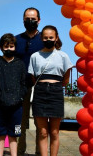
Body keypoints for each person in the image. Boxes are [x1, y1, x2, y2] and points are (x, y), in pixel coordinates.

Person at [28, 25, 72, 156]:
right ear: (41, 38)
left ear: (56, 38)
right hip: (40, 92)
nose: (48, 39)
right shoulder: (35, 56)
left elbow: (66, 78)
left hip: (56, 92)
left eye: (51, 37)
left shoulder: (63, 56)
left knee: (54, 132)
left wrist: (56, 86)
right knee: (42, 132)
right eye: (46, 37)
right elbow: (32, 76)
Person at [0, 33, 27, 156]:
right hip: (0, 105)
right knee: (0, 134)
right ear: (1, 48)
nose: (9, 49)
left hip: (17, 106)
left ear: (15, 47)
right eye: (6, 46)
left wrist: (19, 98)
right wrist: (1, 97)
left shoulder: (20, 64)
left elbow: (24, 84)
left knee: (14, 135)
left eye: (11, 46)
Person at [15, 7, 44, 155]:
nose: (30, 21)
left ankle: (40, 152)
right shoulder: (17, 39)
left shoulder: (45, 39)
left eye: (33, 19)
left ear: (39, 20)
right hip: (22, 85)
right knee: (20, 120)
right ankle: (19, 151)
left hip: (41, 85)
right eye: (27, 18)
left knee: (40, 121)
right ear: (23, 20)